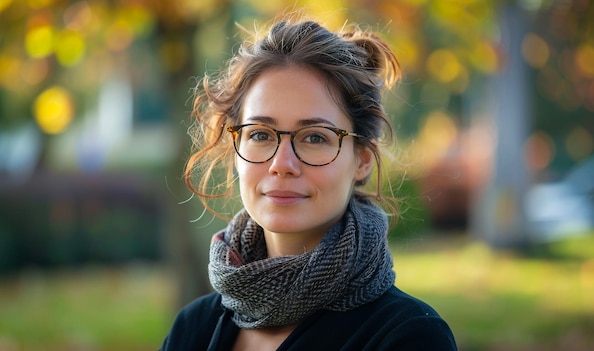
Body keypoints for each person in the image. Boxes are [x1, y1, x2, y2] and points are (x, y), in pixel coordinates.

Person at [160, 14, 458, 351]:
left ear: (360, 159)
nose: (281, 164)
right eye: (260, 134)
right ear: (235, 149)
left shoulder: (407, 335)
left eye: (314, 137)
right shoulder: (193, 328)